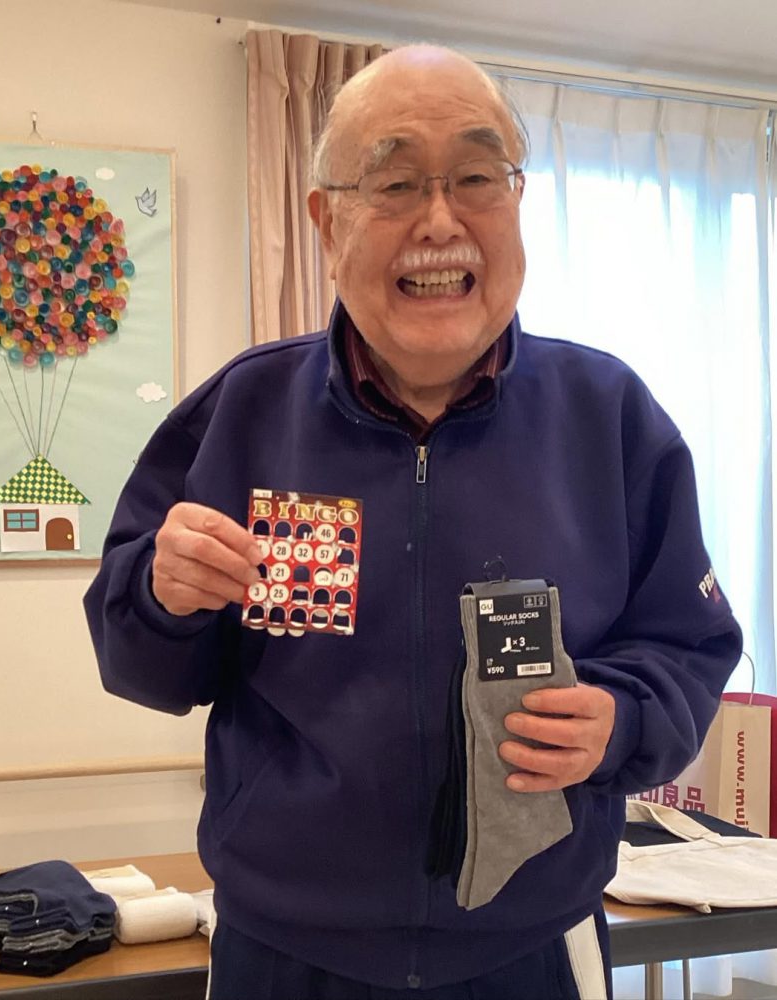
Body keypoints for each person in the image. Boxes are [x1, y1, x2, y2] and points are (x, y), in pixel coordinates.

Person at [84, 44, 742, 1000]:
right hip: (285, 954)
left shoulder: (610, 417)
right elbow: (139, 662)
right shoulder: (241, 414)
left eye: (476, 177)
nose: (441, 221)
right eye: (394, 183)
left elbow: (689, 644)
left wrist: (625, 718)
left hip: (533, 951)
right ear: (327, 220)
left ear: (516, 200)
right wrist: (160, 595)